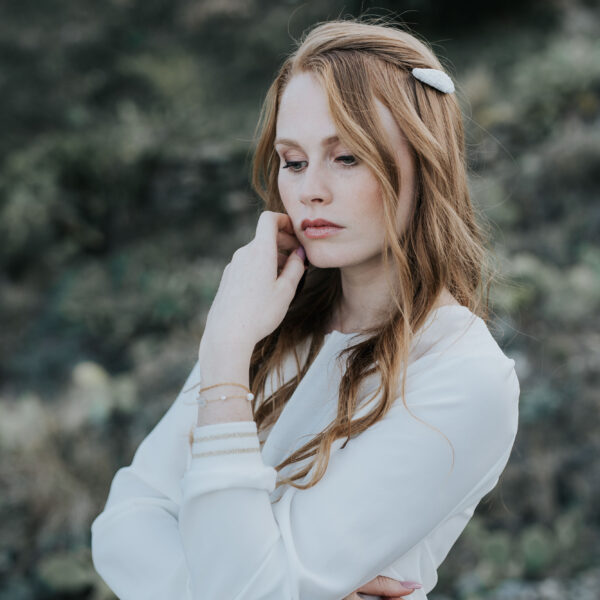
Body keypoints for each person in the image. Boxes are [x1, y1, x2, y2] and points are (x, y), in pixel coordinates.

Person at [90, 16, 520, 600]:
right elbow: (123, 522)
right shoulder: (261, 328)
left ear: (425, 160)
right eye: (293, 161)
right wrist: (226, 352)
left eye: (346, 158)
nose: (310, 189)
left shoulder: (462, 375)